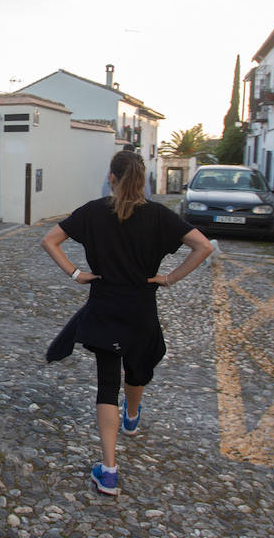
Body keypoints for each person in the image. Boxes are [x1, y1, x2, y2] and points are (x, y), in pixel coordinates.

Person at [41, 151, 214, 495]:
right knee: (138, 369)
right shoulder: (160, 216)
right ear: (143, 179)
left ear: (112, 177)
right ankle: (132, 416)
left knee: (107, 386)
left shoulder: (93, 211)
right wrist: (169, 279)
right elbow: (203, 247)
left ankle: (108, 470)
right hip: (141, 310)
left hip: (104, 308)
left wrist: (75, 273)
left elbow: (49, 240)